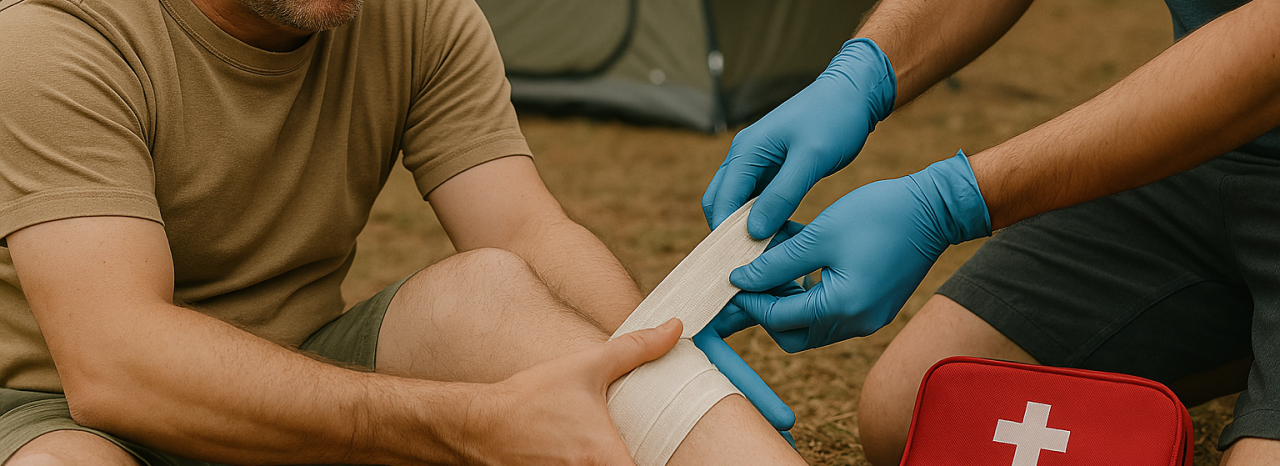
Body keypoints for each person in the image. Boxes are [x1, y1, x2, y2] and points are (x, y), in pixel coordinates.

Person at [0, 0, 806, 464]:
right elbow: (114, 367)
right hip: (63, 414)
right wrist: (464, 425)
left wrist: (661, 355)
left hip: (297, 377)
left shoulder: (413, 14)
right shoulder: (56, 35)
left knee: (487, 292)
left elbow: (527, 230)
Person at [698, 0, 1280, 465]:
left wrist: (952, 201)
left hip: (1253, 96)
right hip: (1193, 143)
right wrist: (863, 72)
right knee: (920, 415)